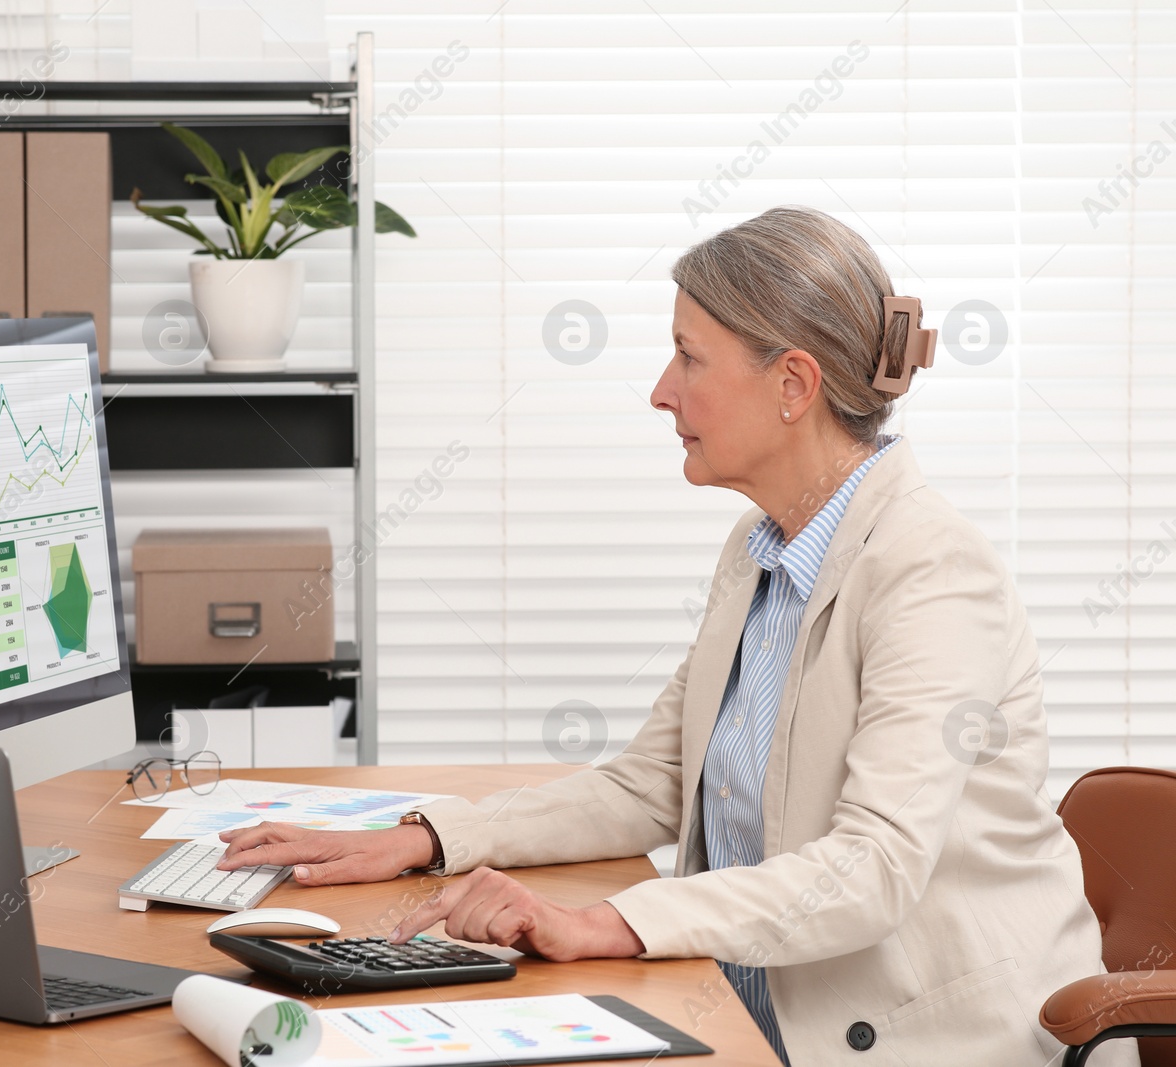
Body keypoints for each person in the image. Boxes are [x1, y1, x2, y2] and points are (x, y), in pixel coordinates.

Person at [216, 206, 1133, 1066]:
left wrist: (609, 919)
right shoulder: (761, 547)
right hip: (748, 1013)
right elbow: (652, 781)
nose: (661, 392)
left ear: (793, 384)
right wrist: (424, 837)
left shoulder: (931, 573)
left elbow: (873, 867)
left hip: (938, 1042)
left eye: (689, 357)